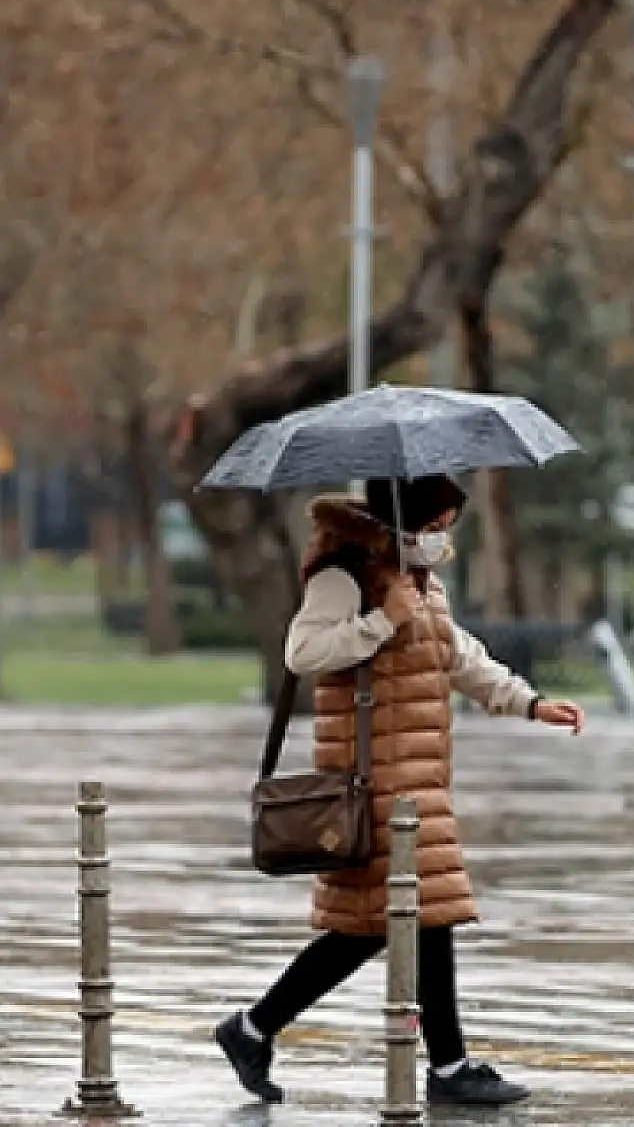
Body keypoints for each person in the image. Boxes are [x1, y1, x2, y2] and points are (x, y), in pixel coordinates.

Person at [215, 475, 585, 1110]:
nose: (443, 538)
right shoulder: (345, 573)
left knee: (384, 923)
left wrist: (528, 702)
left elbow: (458, 657)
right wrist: (381, 621)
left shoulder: (419, 581)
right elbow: (303, 652)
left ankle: (255, 1029)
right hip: (374, 780)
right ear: (404, 519)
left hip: (416, 778)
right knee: (416, 916)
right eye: (436, 523)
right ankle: (446, 1064)